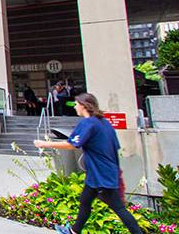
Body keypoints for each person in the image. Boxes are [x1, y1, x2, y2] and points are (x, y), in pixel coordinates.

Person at [33, 93, 142, 234]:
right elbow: (114, 147)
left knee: (119, 208)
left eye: (76, 104)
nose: (75, 107)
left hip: (101, 175)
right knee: (85, 201)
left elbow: (72, 144)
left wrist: (44, 144)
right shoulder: (104, 122)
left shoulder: (88, 123)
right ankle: (74, 230)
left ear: (84, 106)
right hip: (102, 173)